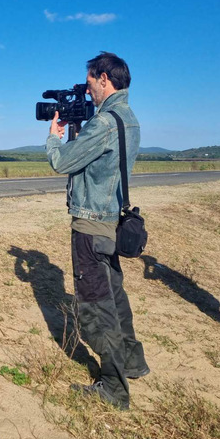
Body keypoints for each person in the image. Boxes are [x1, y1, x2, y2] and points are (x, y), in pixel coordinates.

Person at [45, 51, 149, 410]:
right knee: (116, 298)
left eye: (90, 82)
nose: (88, 90)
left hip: (91, 225)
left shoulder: (103, 123)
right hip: (111, 222)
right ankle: (134, 363)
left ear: (104, 78)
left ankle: (114, 388)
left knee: (96, 305)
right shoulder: (128, 118)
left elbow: (62, 162)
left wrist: (54, 138)